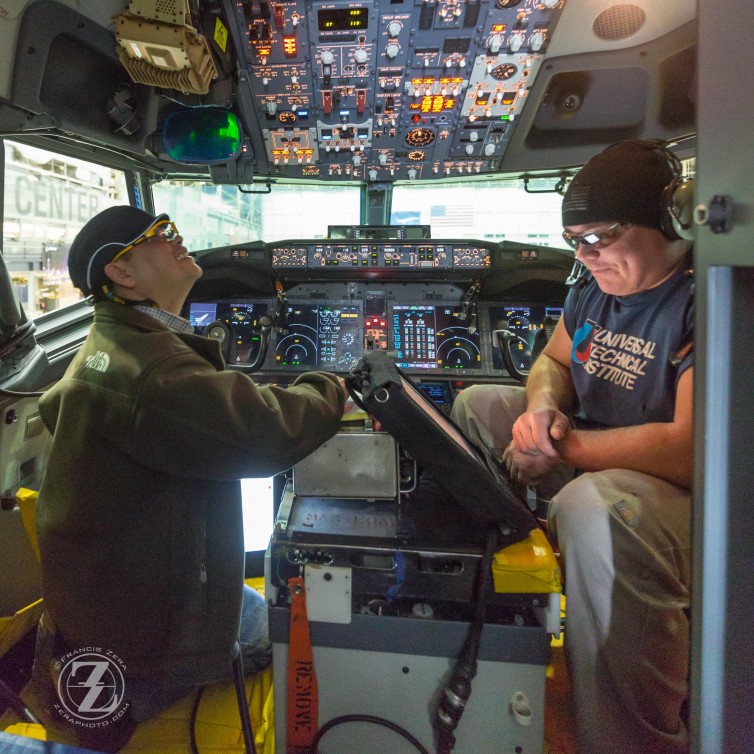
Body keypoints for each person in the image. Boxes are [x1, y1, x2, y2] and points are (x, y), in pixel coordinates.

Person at [31, 206, 347, 750]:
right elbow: (264, 434)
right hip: (148, 641)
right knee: (299, 633)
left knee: (266, 604)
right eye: (161, 235)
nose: (178, 241)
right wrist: (334, 385)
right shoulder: (150, 371)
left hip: (109, 606)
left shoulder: (120, 344)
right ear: (122, 274)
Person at [451, 141, 693, 754]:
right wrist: (540, 412)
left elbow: (689, 448)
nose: (586, 255)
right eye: (575, 240)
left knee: (594, 505)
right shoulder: (594, 286)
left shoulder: (704, 297)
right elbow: (552, 361)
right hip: (586, 453)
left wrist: (563, 448)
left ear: (666, 221)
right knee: (479, 404)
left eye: (602, 237)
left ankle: (627, 739)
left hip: (687, 494)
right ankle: (508, 608)